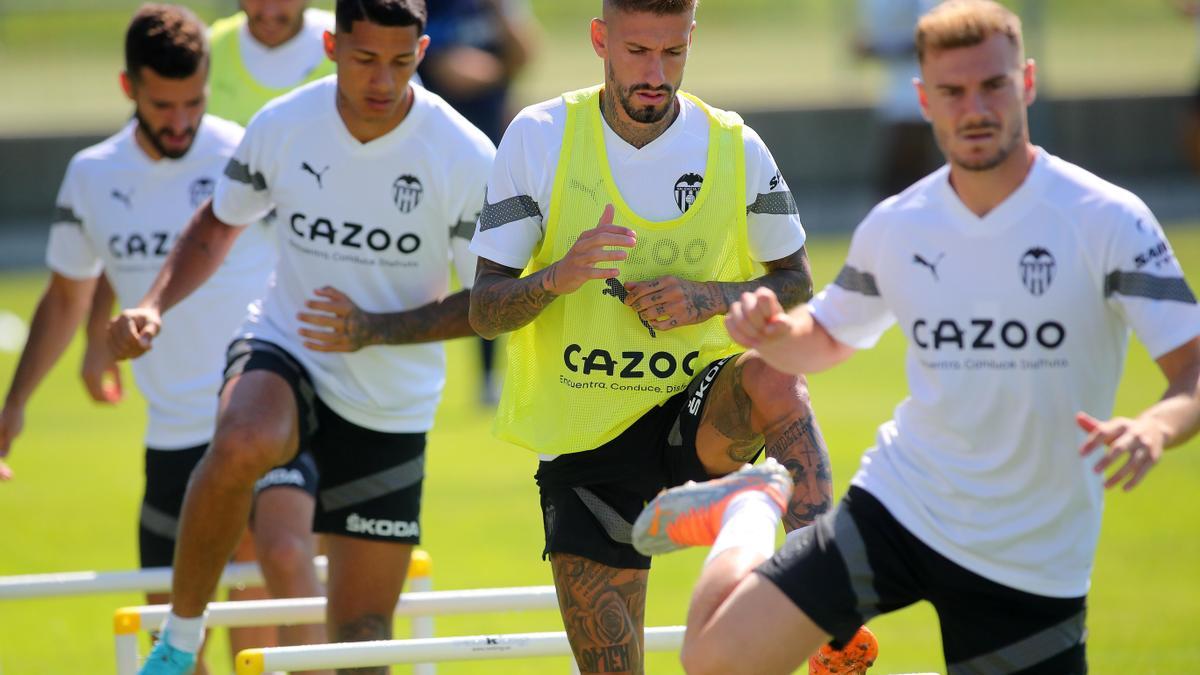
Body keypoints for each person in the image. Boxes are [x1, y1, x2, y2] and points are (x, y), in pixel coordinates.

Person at [634, 2, 1200, 673]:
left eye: (992, 85)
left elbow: (1192, 366)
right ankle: (751, 508)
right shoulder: (900, 224)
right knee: (716, 664)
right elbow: (825, 337)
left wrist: (1156, 429)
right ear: (923, 99)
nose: (975, 109)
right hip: (900, 508)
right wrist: (774, 332)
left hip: (1032, 561)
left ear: (1026, 82)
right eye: (953, 92)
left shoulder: (1106, 219)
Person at [107, 1, 495, 673]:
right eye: (365, 59)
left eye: (401, 63)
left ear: (424, 50)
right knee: (241, 438)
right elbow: (217, 222)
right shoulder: (286, 124)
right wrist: (152, 304)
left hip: (389, 399)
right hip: (286, 344)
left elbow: (494, 304)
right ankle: (179, 638)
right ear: (331, 45)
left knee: (363, 640)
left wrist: (377, 329)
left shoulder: (462, 153)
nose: (382, 81)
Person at [467, 1, 836, 671]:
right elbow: (484, 309)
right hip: (588, 446)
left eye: (673, 52)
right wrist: (559, 275)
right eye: (638, 51)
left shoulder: (734, 144)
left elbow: (797, 282)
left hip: (698, 415)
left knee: (775, 373)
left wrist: (711, 298)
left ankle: (826, 602)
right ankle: (742, 511)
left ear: (691, 38)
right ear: (600, 40)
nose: (656, 73)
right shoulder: (538, 135)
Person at [0, 6, 322, 673]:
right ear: (128, 89)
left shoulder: (242, 150)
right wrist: (15, 404)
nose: (180, 121)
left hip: (254, 416)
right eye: (162, 104)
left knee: (256, 624)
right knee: (172, 644)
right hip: (170, 436)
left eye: (194, 101)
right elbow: (68, 294)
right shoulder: (93, 173)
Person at [418, 0, 540, 404]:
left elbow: (525, 54)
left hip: (491, 163)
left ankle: (488, 378)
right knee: (421, 269)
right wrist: (495, 68)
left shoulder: (492, 7)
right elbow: (456, 72)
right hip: (431, 163)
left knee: (488, 269)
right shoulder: (428, 8)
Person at [853, 0, 942, 199]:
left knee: (915, 173)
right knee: (899, 173)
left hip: (924, 89)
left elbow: (930, 34)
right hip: (896, 94)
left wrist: (879, 48)